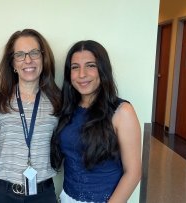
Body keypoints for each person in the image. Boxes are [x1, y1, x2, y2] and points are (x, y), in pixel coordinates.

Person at [50, 40, 142, 203]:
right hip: (66, 197)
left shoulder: (122, 111)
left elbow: (133, 172)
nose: (82, 74)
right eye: (75, 67)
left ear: (102, 69)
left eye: (90, 65)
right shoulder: (67, 109)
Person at [0, 29, 61, 203]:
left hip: (43, 194)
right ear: (12, 63)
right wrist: (11, 152)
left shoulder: (57, 101)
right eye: (20, 55)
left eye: (34, 53)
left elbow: (61, 144)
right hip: (5, 194)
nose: (28, 60)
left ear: (43, 58)